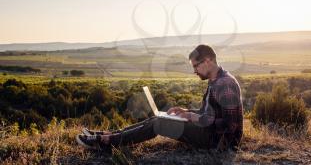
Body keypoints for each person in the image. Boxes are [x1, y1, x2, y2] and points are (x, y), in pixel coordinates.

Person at [76, 44, 243, 150]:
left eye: (195, 66)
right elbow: (208, 113)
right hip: (210, 133)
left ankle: (106, 142)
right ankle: (109, 135)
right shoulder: (215, 80)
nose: (194, 71)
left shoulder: (225, 84)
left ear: (207, 61)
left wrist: (193, 117)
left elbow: (231, 126)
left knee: (158, 123)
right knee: (157, 119)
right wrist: (186, 112)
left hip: (219, 141)